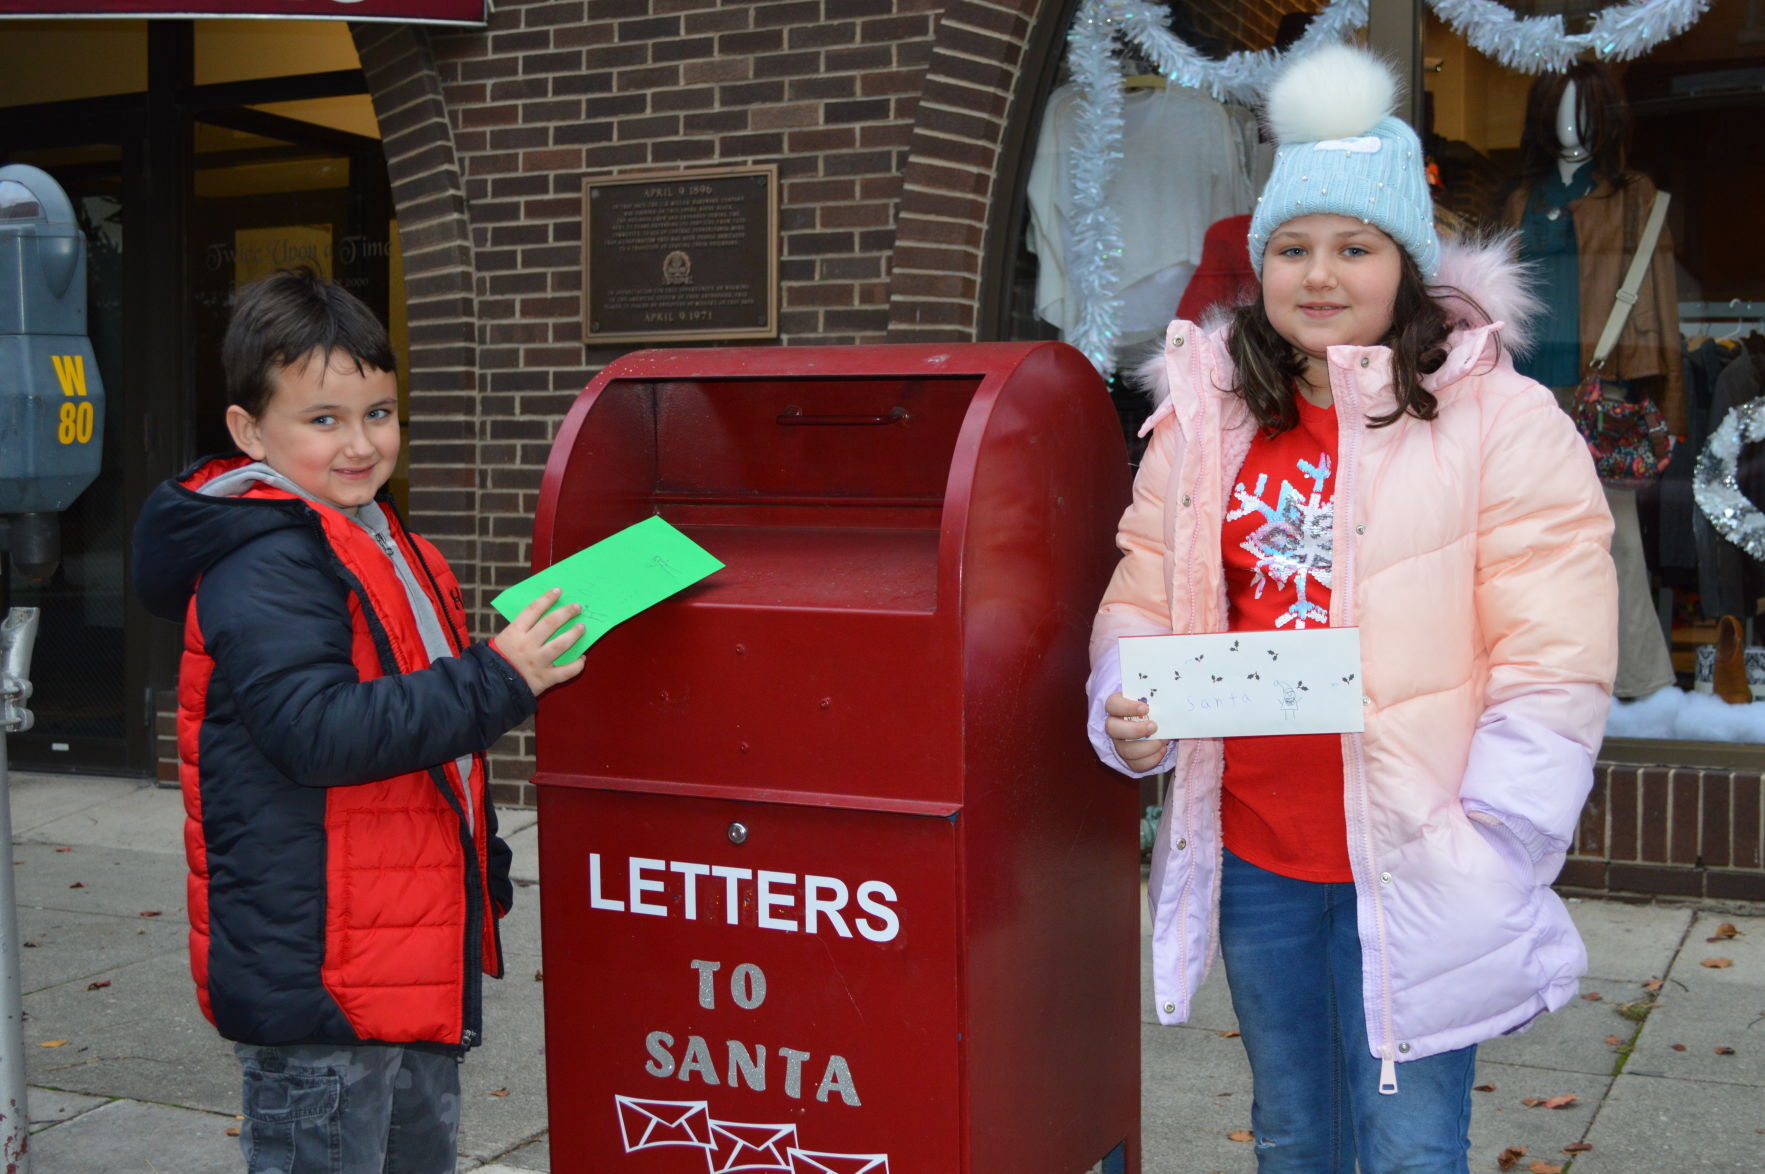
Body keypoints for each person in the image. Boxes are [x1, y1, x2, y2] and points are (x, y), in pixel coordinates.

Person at [1085, 45, 1618, 1173]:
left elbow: (1554, 650)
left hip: (1428, 849)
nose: (1318, 273)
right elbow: (1143, 582)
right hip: (1259, 851)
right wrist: (1125, 695)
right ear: (1259, 263)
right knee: (1292, 1135)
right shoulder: (1206, 422)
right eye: (1291, 247)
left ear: (1406, 265)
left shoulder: (1499, 421)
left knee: (1411, 1148)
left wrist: (1504, 832)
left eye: (1353, 246)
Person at [132, 268, 585, 1174]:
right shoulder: (266, 561)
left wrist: (477, 870)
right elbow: (317, 732)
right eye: (324, 419)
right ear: (249, 431)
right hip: (322, 971)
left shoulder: (387, 540)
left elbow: (433, 747)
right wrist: (499, 677)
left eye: (378, 413)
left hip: (400, 948)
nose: (360, 443)